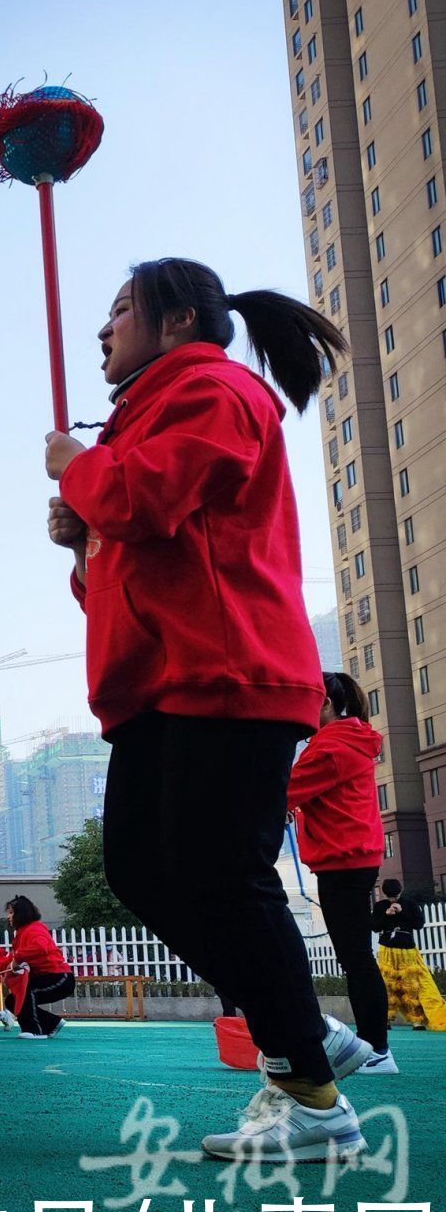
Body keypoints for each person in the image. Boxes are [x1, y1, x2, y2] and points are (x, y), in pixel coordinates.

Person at [45, 259, 375, 1161]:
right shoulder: (147, 415)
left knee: (218, 876)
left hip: (228, 673)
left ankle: (310, 1093)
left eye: (120, 310)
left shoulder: (215, 390)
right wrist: (86, 534)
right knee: (141, 868)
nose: (103, 330)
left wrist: (84, 476)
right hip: (163, 684)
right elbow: (126, 567)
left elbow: (142, 498)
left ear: (181, 319)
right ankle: (299, 1024)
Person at [288, 672, 398, 1074]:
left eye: (308, 704)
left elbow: (285, 789)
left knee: (355, 959)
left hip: (343, 859)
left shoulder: (329, 749)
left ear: (328, 705)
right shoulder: (349, 741)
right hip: (351, 856)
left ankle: (377, 1050)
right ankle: (376, 1047)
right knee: (356, 957)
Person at [375, 879, 446, 1032]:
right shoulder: (380, 906)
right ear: (385, 894)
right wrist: (386, 915)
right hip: (386, 949)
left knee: (411, 985)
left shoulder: (410, 904)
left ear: (400, 892)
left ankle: (417, 1021)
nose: (393, 899)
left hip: (407, 949)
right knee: (386, 985)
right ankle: (385, 1019)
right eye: (390, 897)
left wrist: (402, 911)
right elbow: (375, 927)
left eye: (395, 896)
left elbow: (418, 924)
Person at [3, 897, 75, 1037]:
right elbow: (11, 958)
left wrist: (17, 958)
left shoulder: (35, 928)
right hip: (47, 977)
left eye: (11, 912)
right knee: (12, 1000)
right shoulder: (22, 933)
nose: (8, 917)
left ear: (21, 913)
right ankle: (52, 1023)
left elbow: (40, 947)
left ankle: (34, 1030)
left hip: (59, 977)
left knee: (29, 991)